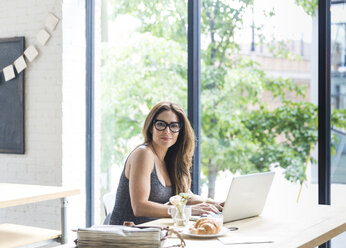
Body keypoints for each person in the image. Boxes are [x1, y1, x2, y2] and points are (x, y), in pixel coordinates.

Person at [110, 101, 223, 225]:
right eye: (160, 124)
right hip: (128, 236)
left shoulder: (171, 159)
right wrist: (185, 211)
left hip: (156, 232)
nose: (167, 131)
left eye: (174, 126)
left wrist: (212, 204)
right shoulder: (144, 154)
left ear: (180, 131)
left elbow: (186, 196)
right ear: (151, 127)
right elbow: (139, 207)